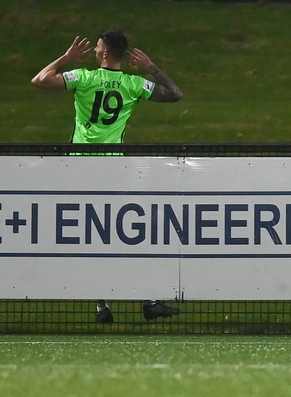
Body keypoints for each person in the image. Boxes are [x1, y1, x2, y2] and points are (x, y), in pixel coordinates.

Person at [31, 29, 184, 323]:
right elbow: (175, 94)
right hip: (113, 170)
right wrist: (152, 69)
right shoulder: (133, 83)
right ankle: (147, 301)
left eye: (97, 47)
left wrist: (66, 58)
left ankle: (103, 306)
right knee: (123, 236)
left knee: (92, 238)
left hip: (79, 169)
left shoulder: (83, 78)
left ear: (103, 53)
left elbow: (39, 80)